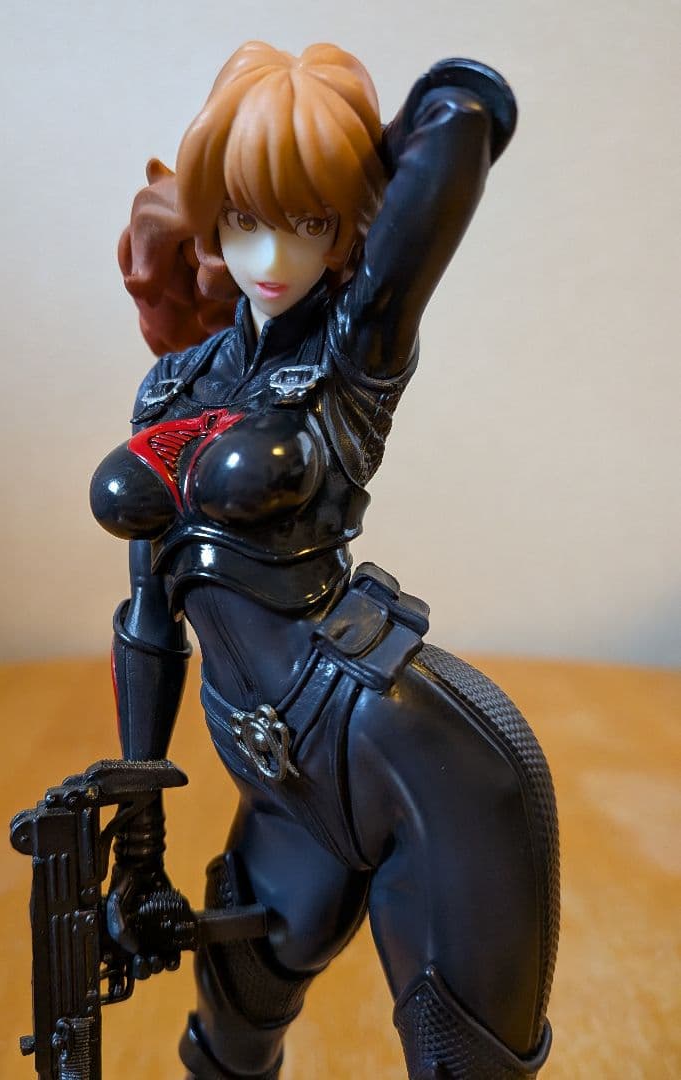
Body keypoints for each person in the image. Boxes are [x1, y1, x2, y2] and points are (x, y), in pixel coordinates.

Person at [90, 41, 558, 1080]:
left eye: (309, 222)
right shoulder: (173, 386)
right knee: (227, 1040)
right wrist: (140, 842)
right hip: (275, 775)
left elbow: (462, 113)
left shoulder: (352, 354)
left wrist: (342, 161)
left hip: (405, 753)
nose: (273, 254)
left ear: (351, 226)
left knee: (461, 1058)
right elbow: (150, 622)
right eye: (247, 215)